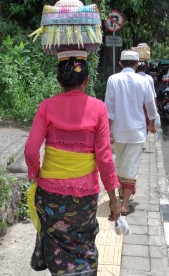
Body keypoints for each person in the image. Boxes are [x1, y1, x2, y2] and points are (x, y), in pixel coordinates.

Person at [24, 55, 120, 276]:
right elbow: (105, 159)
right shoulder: (98, 108)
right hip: (84, 199)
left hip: (50, 195)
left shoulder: (46, 107)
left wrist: (35, 175)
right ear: (86, 81)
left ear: (59, 82)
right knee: (83, 243)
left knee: (58, 245)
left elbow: (30, 150)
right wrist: (113, 201)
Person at [105, 50, 157, 216]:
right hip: (136, 132)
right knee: (131, 167)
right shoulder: (143, 81)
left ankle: (121, 193)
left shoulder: (113, 79)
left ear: (120, 64)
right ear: (136, 65)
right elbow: (150, 106)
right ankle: (125, 204)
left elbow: (109, 109)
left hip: (117, 131)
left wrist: (106, 132)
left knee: (119, 163)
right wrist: (151, 123)